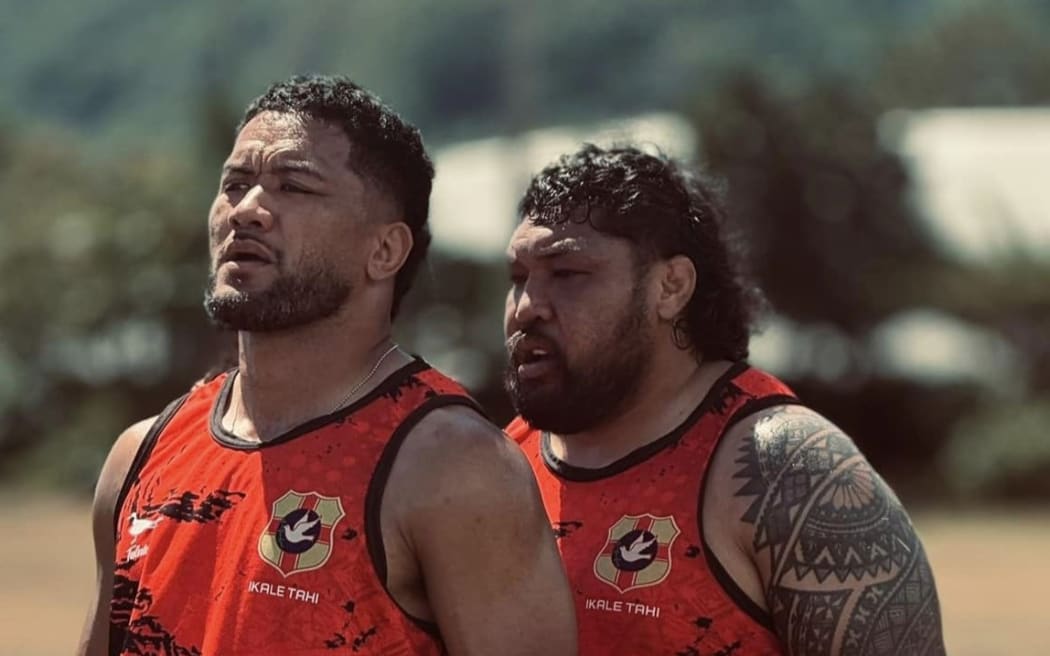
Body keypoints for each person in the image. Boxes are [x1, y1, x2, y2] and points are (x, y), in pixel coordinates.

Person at [78, 75, 577, 656]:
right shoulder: (141, 454)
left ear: (385, 251)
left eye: (294, 186)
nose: (249, 210)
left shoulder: (451, 466)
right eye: (235, 184)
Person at [504, 144, 946, 655]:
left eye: (567, 274)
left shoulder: (787, 469)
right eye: (517, 279)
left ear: (670, 287)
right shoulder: (497, 461)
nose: (527, 308)